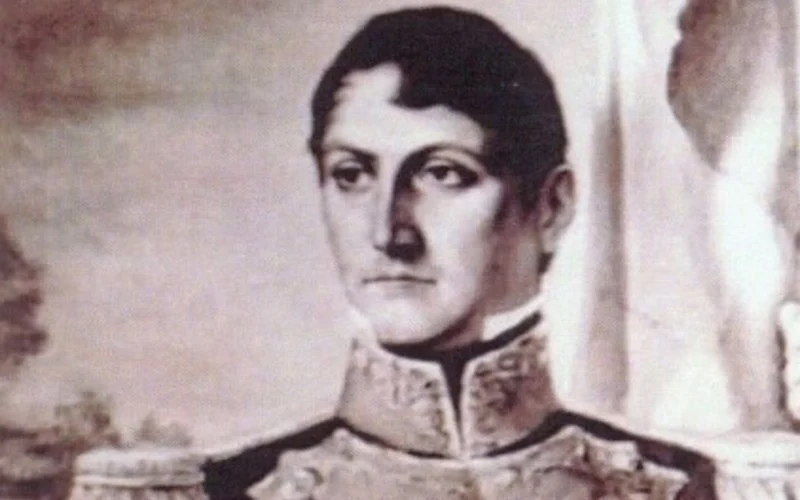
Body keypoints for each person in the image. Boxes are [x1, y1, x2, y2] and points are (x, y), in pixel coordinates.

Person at [202, 7, 713, 500]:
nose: (388, 233)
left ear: (551, 209)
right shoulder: (238, 490)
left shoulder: (670, 488)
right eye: (351, 175)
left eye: (443, 173)